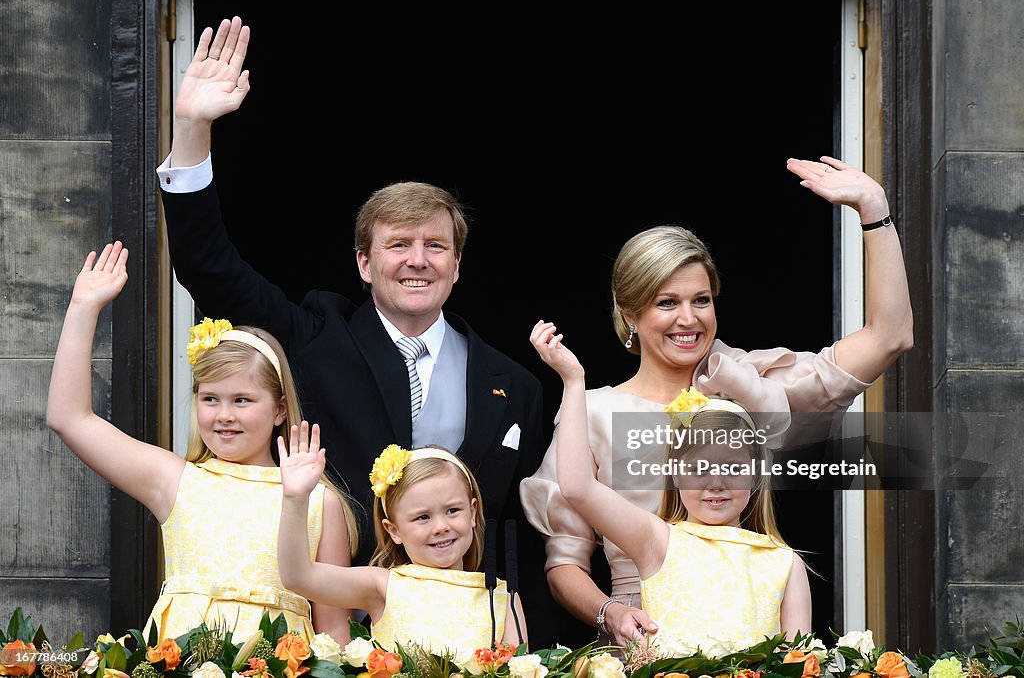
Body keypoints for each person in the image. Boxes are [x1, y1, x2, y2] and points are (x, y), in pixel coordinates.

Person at [155, 16, 555, 643]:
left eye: (435, 246)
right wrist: (192, 129)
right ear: (365, 265)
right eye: (397, 245)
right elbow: (210, 267)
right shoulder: (316, 336)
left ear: (457, 265)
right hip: (333, 626)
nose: (417, 260)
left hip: (466, 637)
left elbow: (520, 538)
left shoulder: (516, 386)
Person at [520, 157, 914, 647]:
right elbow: (564, 564)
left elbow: (890, 337)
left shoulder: (750, 385)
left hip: (749, 643)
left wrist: (873, 210)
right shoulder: (595, 412)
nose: (689, 319)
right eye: (667, 302)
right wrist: (612, 615)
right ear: (630, 314)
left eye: (701, 300)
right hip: (645, 645)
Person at [45, 241, 358, 644]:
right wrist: (82, 308)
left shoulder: (319, 501)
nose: (224, 414)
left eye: (242, 400)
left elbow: (334, 628)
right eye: (210, 399)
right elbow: (69, 418)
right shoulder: (177, 481)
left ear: (280, 409)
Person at [531, 322, 810, 653]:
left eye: (733, 468)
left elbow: (798, 661)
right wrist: (573, 381)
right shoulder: (657, 540)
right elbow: (577, 487)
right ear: (675, 474)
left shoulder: (784, 562)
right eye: (699, 468)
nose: (716, 483)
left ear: (755, 474)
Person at [278, 438, 527, 657]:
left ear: (472, 513)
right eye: (422, 517)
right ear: (393, 530)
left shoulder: (502, 598)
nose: (440, 526)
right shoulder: (383, 586)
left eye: (453, 511)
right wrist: (296, 498)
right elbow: (298, 576)